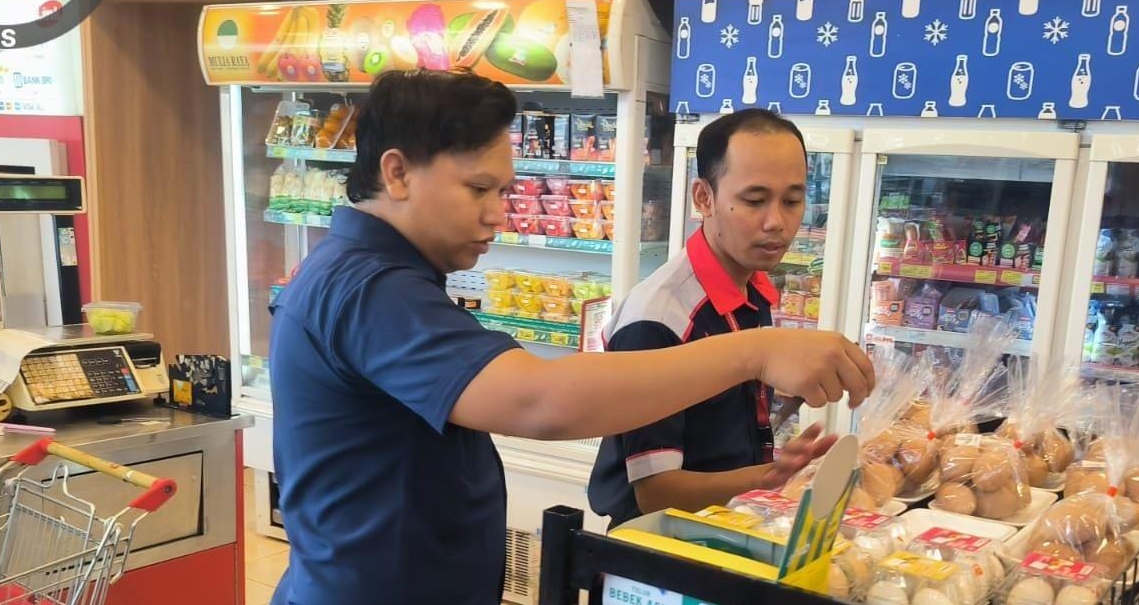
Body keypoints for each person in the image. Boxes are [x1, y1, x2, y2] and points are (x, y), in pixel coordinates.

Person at [267, 72, 874, 605]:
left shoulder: (381, 277)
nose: (497, 214)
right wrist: (757, 353)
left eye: (505, 192)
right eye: (478, 189)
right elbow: (539, 401)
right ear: (397, 172)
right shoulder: (369, 288)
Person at [589, 109, 834, 527]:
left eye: (792, 201)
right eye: (755, 201)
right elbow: (656, 492)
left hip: (726, 527)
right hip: (657, 547)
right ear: (704, 198)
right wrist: (771, 478)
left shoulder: (750, 286)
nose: (777, 222)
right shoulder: (659, 320)